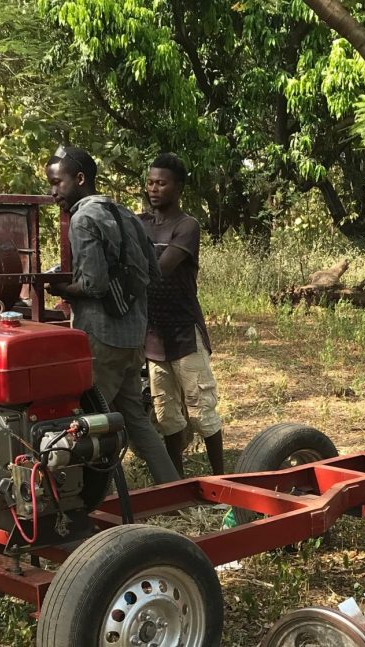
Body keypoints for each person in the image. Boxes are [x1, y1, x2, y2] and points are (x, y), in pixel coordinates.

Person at [45, 146, 181, 485]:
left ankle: (94, 497)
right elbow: (151, 270)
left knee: (90, 421)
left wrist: (60, 289)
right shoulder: (125, 213)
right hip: (133, 335)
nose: (53, 192)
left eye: (57, 183)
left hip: (102, 339)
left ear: (80, 179)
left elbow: (92, 284)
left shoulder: (82, 218)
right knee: (134, 417)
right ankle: (173, 487)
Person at [140, 154, 225, 476]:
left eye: (161, 183)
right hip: (153, 335)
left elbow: (160, 269)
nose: (154, 189)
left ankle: (220, 477)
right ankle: (177, 481)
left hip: (184, 333)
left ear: (178, 188)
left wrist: (129, 264)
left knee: (202, 411)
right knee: (167, 415)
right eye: (150, 182)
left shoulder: (187, 226)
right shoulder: (140, 224)